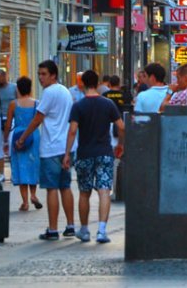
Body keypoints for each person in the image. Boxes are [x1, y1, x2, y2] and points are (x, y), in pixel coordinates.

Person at [15, 60, 76, 241]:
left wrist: (23, 137)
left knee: (51, 189)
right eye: (39, 74)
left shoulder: (49, 93)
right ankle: (71, 225)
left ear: (53, 75)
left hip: (51, 147)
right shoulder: (65, 91)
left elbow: (37, 119)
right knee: (65, 187)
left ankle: (53, 228)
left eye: (43, 74)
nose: (40, 78)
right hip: (66, 146)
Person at [64, 69, 125, 243]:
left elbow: (73, 131)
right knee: (104, 190)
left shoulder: (78, 106)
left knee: (84, 192)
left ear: (82, 83)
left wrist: (67, 153)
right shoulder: (108, 104)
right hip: (104, 152)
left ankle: (84, 230)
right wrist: (120, 144)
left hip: (85, 153)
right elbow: (121, 126)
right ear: (98, 83)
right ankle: (102, 230)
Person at [5, 76, 41, 212]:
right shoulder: (37, 103)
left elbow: (8, 123)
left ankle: (25, 202)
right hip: (33, 136)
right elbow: (38, 120)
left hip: (18, 135)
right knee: (33, 165)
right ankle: (33, 195)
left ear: (18, 88)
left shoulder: (14, 104)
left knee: (21, 167)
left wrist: (5, 139)